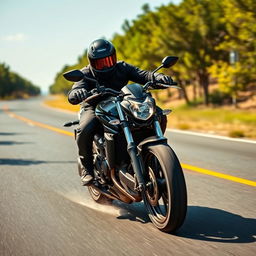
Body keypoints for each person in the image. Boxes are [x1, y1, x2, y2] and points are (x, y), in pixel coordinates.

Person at [68, 39, 173, 186]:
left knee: (157, 114)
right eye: (100, 63)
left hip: (122, 103)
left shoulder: (122, 67)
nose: (105, 65)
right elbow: (75, 89)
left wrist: (158, 77)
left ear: (114, 57)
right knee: (85, 128)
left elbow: (143, 75)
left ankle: (151, 151)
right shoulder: (85, 74)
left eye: (109, 60)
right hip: (94, 106)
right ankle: (87, 168)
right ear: (92, 63)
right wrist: (77, 92)